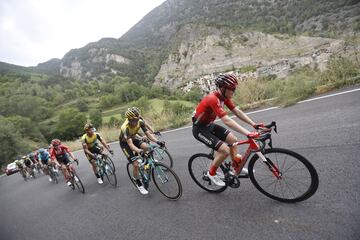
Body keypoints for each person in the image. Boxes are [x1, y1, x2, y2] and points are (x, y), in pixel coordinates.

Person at [192, 73, 265, 187]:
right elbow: (227, 121)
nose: (233, 91)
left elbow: (238, 112)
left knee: (233, 140)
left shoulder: (224, 97)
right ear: (222, 88)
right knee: (225, 150)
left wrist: (253, 124)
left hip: (209, 125)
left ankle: (235, 167)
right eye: (231, 89)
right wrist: (248, 133)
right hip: (200, 130)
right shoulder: (212, 98)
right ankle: (211, 173)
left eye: (234, 89)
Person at [119, 107, 165, 195]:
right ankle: (139, 184)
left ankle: (146, 163)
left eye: (137, 119)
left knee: (147, 147)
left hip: (133, 138)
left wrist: (158, 141)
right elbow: (130, 144)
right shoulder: (125, 128)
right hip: (125, 144)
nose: (136, 122)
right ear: (129, 119)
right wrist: (138, 151)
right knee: (135, 164)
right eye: (134, 120)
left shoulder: (139, 121)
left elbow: (148, 134)